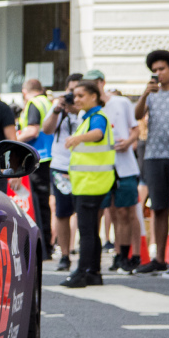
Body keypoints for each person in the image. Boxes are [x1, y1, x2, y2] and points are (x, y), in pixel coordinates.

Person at [84, 69, 141, 272]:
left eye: (93, 84)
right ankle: (95, 259)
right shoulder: (89, 110)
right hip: (101, 167)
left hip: (123, 165)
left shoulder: (121, 103)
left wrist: (128, 142)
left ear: (101, 82)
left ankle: (122, 256)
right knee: (105, 213)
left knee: (125, 211)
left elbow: (135, 128)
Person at [134, 50, 169, 273]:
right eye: (154, 70)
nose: (158, 74)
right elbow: (137, 115)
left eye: (162, 69)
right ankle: (160, 258)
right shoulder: (151, 94)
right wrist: (144, 95)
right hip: (153, 156)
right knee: (159, 208)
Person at [61, 81, 114, 287]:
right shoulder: (88, 118)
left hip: (91, 184)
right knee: (91, 229)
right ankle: (93, 272)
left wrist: (77, 138)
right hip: (90, 183)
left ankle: (82, 273)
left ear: (94, 96)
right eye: (75, 96)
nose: (77, 100)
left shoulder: (96, 118)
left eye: (81, 95)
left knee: (87, 231)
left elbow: (98, 134)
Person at [42, 75, 82, 271]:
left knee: (85, 211)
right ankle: (65, 254)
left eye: (77, 92)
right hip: (61, 166)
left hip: (83, 167)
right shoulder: (59, 108)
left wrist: (76, 109)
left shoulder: (87, 111)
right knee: (62, 212)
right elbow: (47, 129)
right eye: (70, 91)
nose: (72, 96)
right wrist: (58, 109)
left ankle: (85, 255)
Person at [16, 79, 54, 253]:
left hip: (38, 157)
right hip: (50, 156)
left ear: (25, 92)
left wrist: (13, 140)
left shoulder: (33, 103)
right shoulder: (47, 101)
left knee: (38, 203)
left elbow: (32, 131)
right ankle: (48, 243)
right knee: (46, 203)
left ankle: (43, 246)